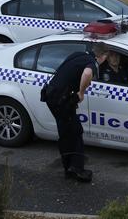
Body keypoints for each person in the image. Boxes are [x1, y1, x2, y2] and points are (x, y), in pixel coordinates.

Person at [41, 42, 108, 182]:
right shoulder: (92, 63)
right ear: (102, 56)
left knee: (67, 131)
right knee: (74, 132)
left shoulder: (78, 55)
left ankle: (69, 168)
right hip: (61, 101)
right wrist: (81, 93)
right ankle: (76, 170)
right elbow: (87, 73)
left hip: (51, 96)